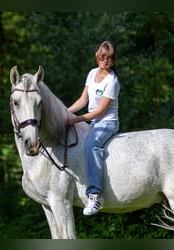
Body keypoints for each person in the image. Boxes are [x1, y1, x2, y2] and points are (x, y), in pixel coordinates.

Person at [67, 41, 120, 216]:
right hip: (93, 122)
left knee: (92, 145)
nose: (105, 61)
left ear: (113, 60)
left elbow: (100, 111)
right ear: (97, 56)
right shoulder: (92, 73)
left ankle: (95, 195)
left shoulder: (112, 81)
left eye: (109, 58)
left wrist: (76, 119)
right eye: (103, 57)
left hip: (107, 122)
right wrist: (65, 112)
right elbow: (83, 101)